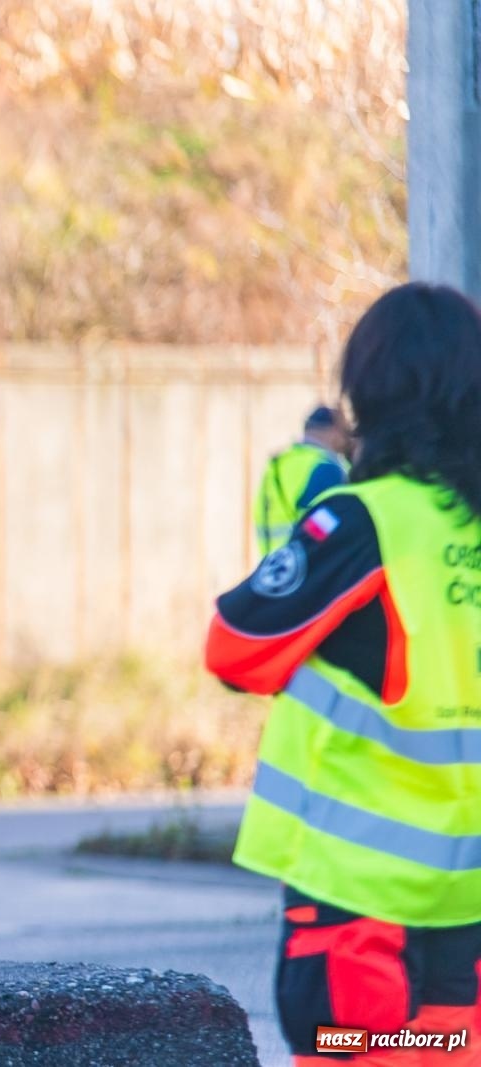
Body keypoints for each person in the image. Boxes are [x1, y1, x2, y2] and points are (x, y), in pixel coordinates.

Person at [206, 283, 481, 1065]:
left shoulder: (367, 520)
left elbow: (233, 645)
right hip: (465, 914)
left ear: (372, 393)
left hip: (359, 914)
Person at [254, 405, 352, 555]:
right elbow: (329, 527)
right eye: (344, 432)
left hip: (276, 565)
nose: (347, 439)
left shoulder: (279, 463)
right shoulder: (324, 468)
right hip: (309, 565)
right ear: (332, 432)